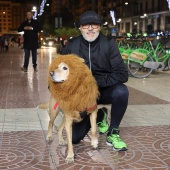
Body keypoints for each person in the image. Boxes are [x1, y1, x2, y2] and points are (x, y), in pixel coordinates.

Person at [62, 10, 129, 151]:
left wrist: (93, 83)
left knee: (121, 91)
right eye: (86, 25)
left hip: (103, 90)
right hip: (82, 97)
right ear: (80, 28)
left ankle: (113, 131)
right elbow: (57, 71)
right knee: (74, 138)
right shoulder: (72, 45)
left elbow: (122, 75)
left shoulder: (109, 43)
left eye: (94, 25)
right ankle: (100, 115)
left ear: (99, 27)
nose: (90, 28)